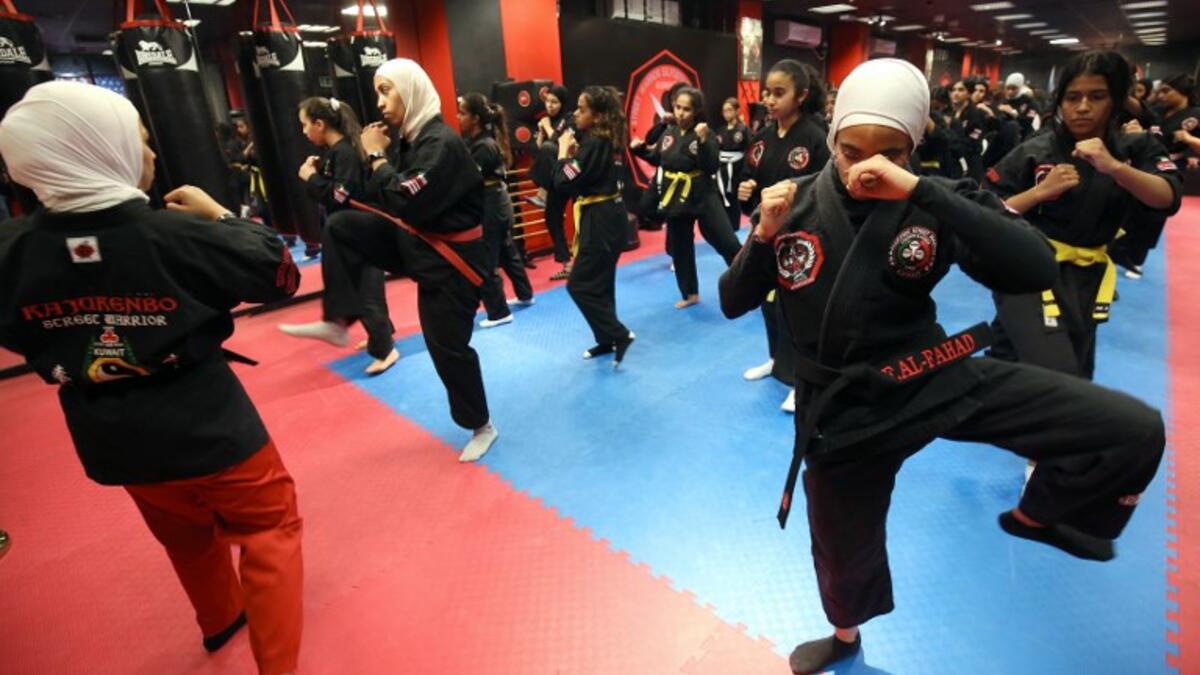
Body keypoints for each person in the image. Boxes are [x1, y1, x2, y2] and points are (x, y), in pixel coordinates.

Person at [718, 58, 1166, 675]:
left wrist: (921, 189)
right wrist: (763, 237)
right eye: (850, 150)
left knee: (1132, 427)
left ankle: (1047, 513)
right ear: (833, 139)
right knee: (843, 551)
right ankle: (846, 637)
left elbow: (1033, 268)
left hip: (929, 373)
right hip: (842, 410)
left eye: (890, 153)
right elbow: (733, 301)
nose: (866, 167)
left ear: (915, 143)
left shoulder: (936, 201)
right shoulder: (791, 206)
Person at [0, 81, 304, 675]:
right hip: (209, 421)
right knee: (270, 530)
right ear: (101, 147)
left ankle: (219, 621)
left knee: (183, 532)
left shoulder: (8, 250)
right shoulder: (178, 232)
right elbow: (281, 277)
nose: (153, 154)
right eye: (141, 140)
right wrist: (220, 215)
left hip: (108, 430)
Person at [277, 58, 498, 463]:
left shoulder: (441, 143)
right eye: (377, 90)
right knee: (342, 225)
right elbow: (384, 198)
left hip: (451, 265)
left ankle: (482, 425)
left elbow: (403, 199)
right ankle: (337, 320)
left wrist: (377, 159)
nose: (379, 101)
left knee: (447, 348)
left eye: (386, 90)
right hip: (421, 246)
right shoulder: (412, 140)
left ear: (410, 89)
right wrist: (370, 160)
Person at [986, 51, 1181, 381]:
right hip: (1030, 265)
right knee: (1052, 368)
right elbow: (984, 209)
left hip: (1088, 276)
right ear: (1060, 101)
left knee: (1074, 365)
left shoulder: (1135, 147)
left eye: (1097, 96)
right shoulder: (1037, 148)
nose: (1083, 107)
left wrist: (1115, 168)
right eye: (1072, 97)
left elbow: (1167, 198)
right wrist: (1038, 193)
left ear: (1116, 100)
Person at [737, 59, 831, 412]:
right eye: (767, 93)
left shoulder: (815, 137)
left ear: (801, 95)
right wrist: (744, 186)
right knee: (767, 302)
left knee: (797, 308)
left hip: (802, 235)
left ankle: (799, 380)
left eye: (779, 93)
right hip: (765, 232)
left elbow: (826, 188)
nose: (770, 100)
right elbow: (750, 176)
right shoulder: (762, 137)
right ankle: (777, 361)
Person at [280, 96, 399, 375]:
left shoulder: (343, 151)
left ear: (320, 124)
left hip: (361, 230)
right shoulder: (338, 152)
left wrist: (311, 178)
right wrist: (320, 173)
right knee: (365, 283)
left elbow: (341, 195)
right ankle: (382, 334)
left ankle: (385, 348)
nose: (303, 131)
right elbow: (343, 188)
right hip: (357, 230)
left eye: (305, 124)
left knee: (365, 286)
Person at [631, 86, 741, 308]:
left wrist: (701, 141)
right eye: (678, 107)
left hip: (703, 193)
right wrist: (640, 150)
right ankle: (690, 293)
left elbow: (710, 166)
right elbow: (658, 157)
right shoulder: (669, 132)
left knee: (727, 241)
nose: (680, 113)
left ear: (696, 111)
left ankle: (749, 281)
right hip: (677, 195)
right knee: (680, 247)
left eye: (686, 109)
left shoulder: (705, 133)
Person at [554, 86, 635, 367]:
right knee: (601, 283)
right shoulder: (606, 141)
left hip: (600, 219)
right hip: (609, 215)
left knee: (579, 285)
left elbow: (563, 180)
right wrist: (576, 155)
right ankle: (606, 339)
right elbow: (586, 174)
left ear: (598, 115)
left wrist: (563, 152)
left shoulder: (594, 144)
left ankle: (618, 334)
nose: (575, 113)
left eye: (581, 109)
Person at [457, 92, 535, 328]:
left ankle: (499, 312)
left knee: (486, 259)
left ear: (475, 118)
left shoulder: (484, 146)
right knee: (506, 251)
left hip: (492, 204)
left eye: (462, 113)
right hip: (496, 203)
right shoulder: (482, 142)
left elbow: (471, 180)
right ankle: (525, 294)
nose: (458, 117)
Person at [1111, 74, 1200, 278]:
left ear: (1183, 92)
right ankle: (1118, 252)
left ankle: (1137, 260)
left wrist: (1189, 139)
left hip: (1168, 167)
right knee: (1127, 211)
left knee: (1152, 215)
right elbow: (1140, 111)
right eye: (1160, 91)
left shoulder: (1195, 114)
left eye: (1167, 91)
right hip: (1142, 164)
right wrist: (1120, 92)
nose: (1161, 95)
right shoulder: (1160, 112)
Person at [530, 85, 575, 279]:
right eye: (548, 101)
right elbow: (540, 149)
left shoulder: (571, 118)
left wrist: (547, 127)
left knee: (550, 147)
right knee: (551, 216)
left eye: (554, 102)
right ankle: (567, 264)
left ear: (562, 103)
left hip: (572, 172)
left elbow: (559, 145)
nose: (550, 105)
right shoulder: (547, 121)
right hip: (556, 176)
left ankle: (542, 192)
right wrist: (541, 130)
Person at [715, 97, 750, 233]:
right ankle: (723, 225)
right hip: (722, 167)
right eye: (724, 111)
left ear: (737, 111)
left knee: (733, 196)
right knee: (722, 195)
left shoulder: (743, 129)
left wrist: (745, 171)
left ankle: (734, 226)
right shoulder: (721, 130)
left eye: (729, 110)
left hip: (737, 167)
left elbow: (748, 149)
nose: (726, 113)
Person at [949, 79, 987, 183]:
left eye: (961, 90)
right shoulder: (950, 113)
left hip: (970, 163)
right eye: (954, 90)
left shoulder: (975, 114)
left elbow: (972, 143)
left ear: (969, 94)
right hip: (953, 160)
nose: (956, 93)